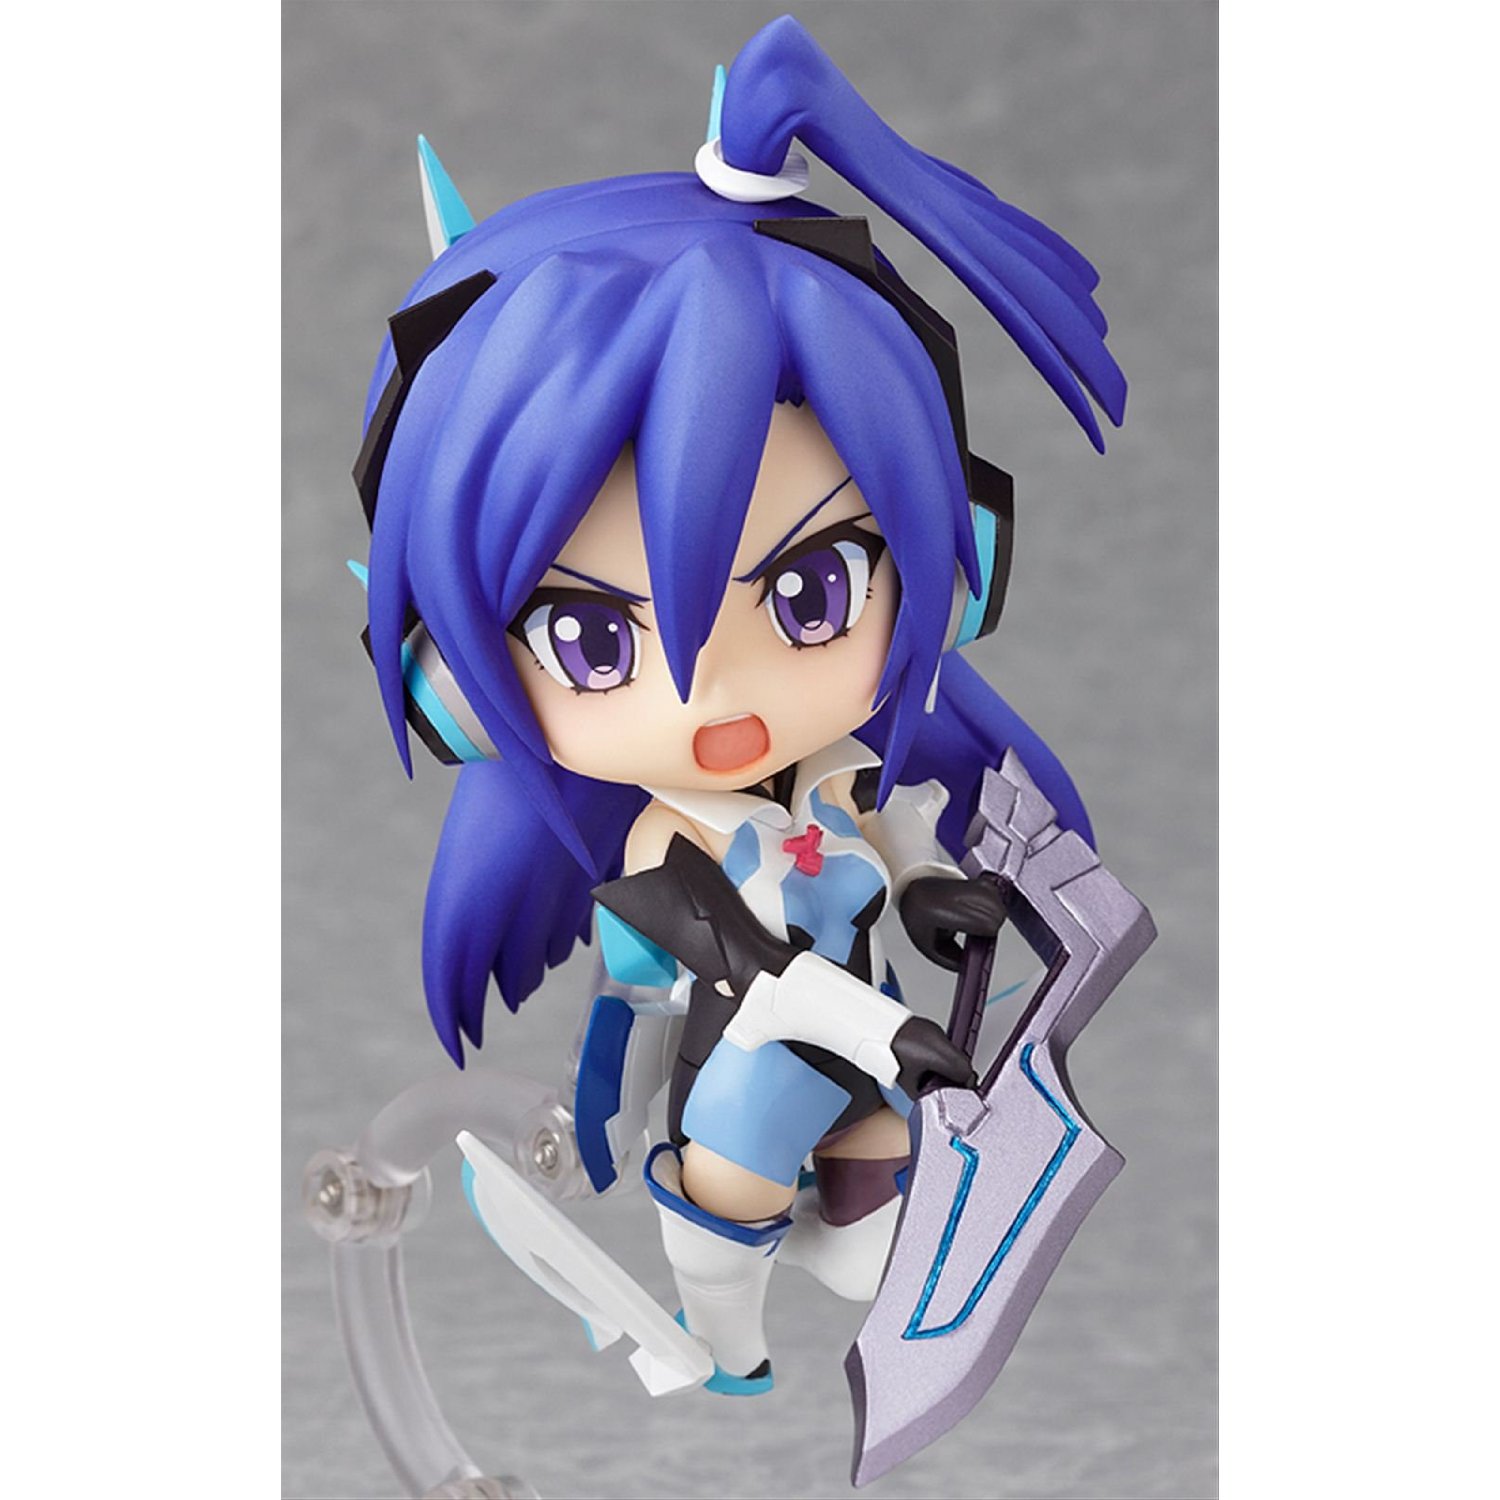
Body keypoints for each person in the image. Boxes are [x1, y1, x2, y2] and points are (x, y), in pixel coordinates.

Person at [352, 15, 1125, 1393]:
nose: (716, 695)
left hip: (870, 1075)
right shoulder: (666, 850)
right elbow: (761, 976)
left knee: (877, 1222)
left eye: (814, 592)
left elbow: (888, 839)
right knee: (746, 1170)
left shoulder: (833, 781)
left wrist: (934, 894)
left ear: (953, 567)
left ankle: (842, 1249)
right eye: (593, 638)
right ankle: (719, 1336)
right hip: (747, 1075)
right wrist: (886, 1030)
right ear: (451, 685)